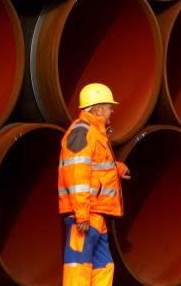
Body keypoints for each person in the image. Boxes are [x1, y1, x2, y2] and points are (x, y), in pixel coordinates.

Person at [57, 82, 131, 286]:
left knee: (104, 267)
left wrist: (119, 169)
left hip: (96, 216)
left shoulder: (95, 133)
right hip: (84, 216)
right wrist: (81, 215)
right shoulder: (82, 133)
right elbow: (77, 174)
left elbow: (97, 165)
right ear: (97, 108)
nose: (112, 110)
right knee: (78, 270)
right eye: (109, 106)